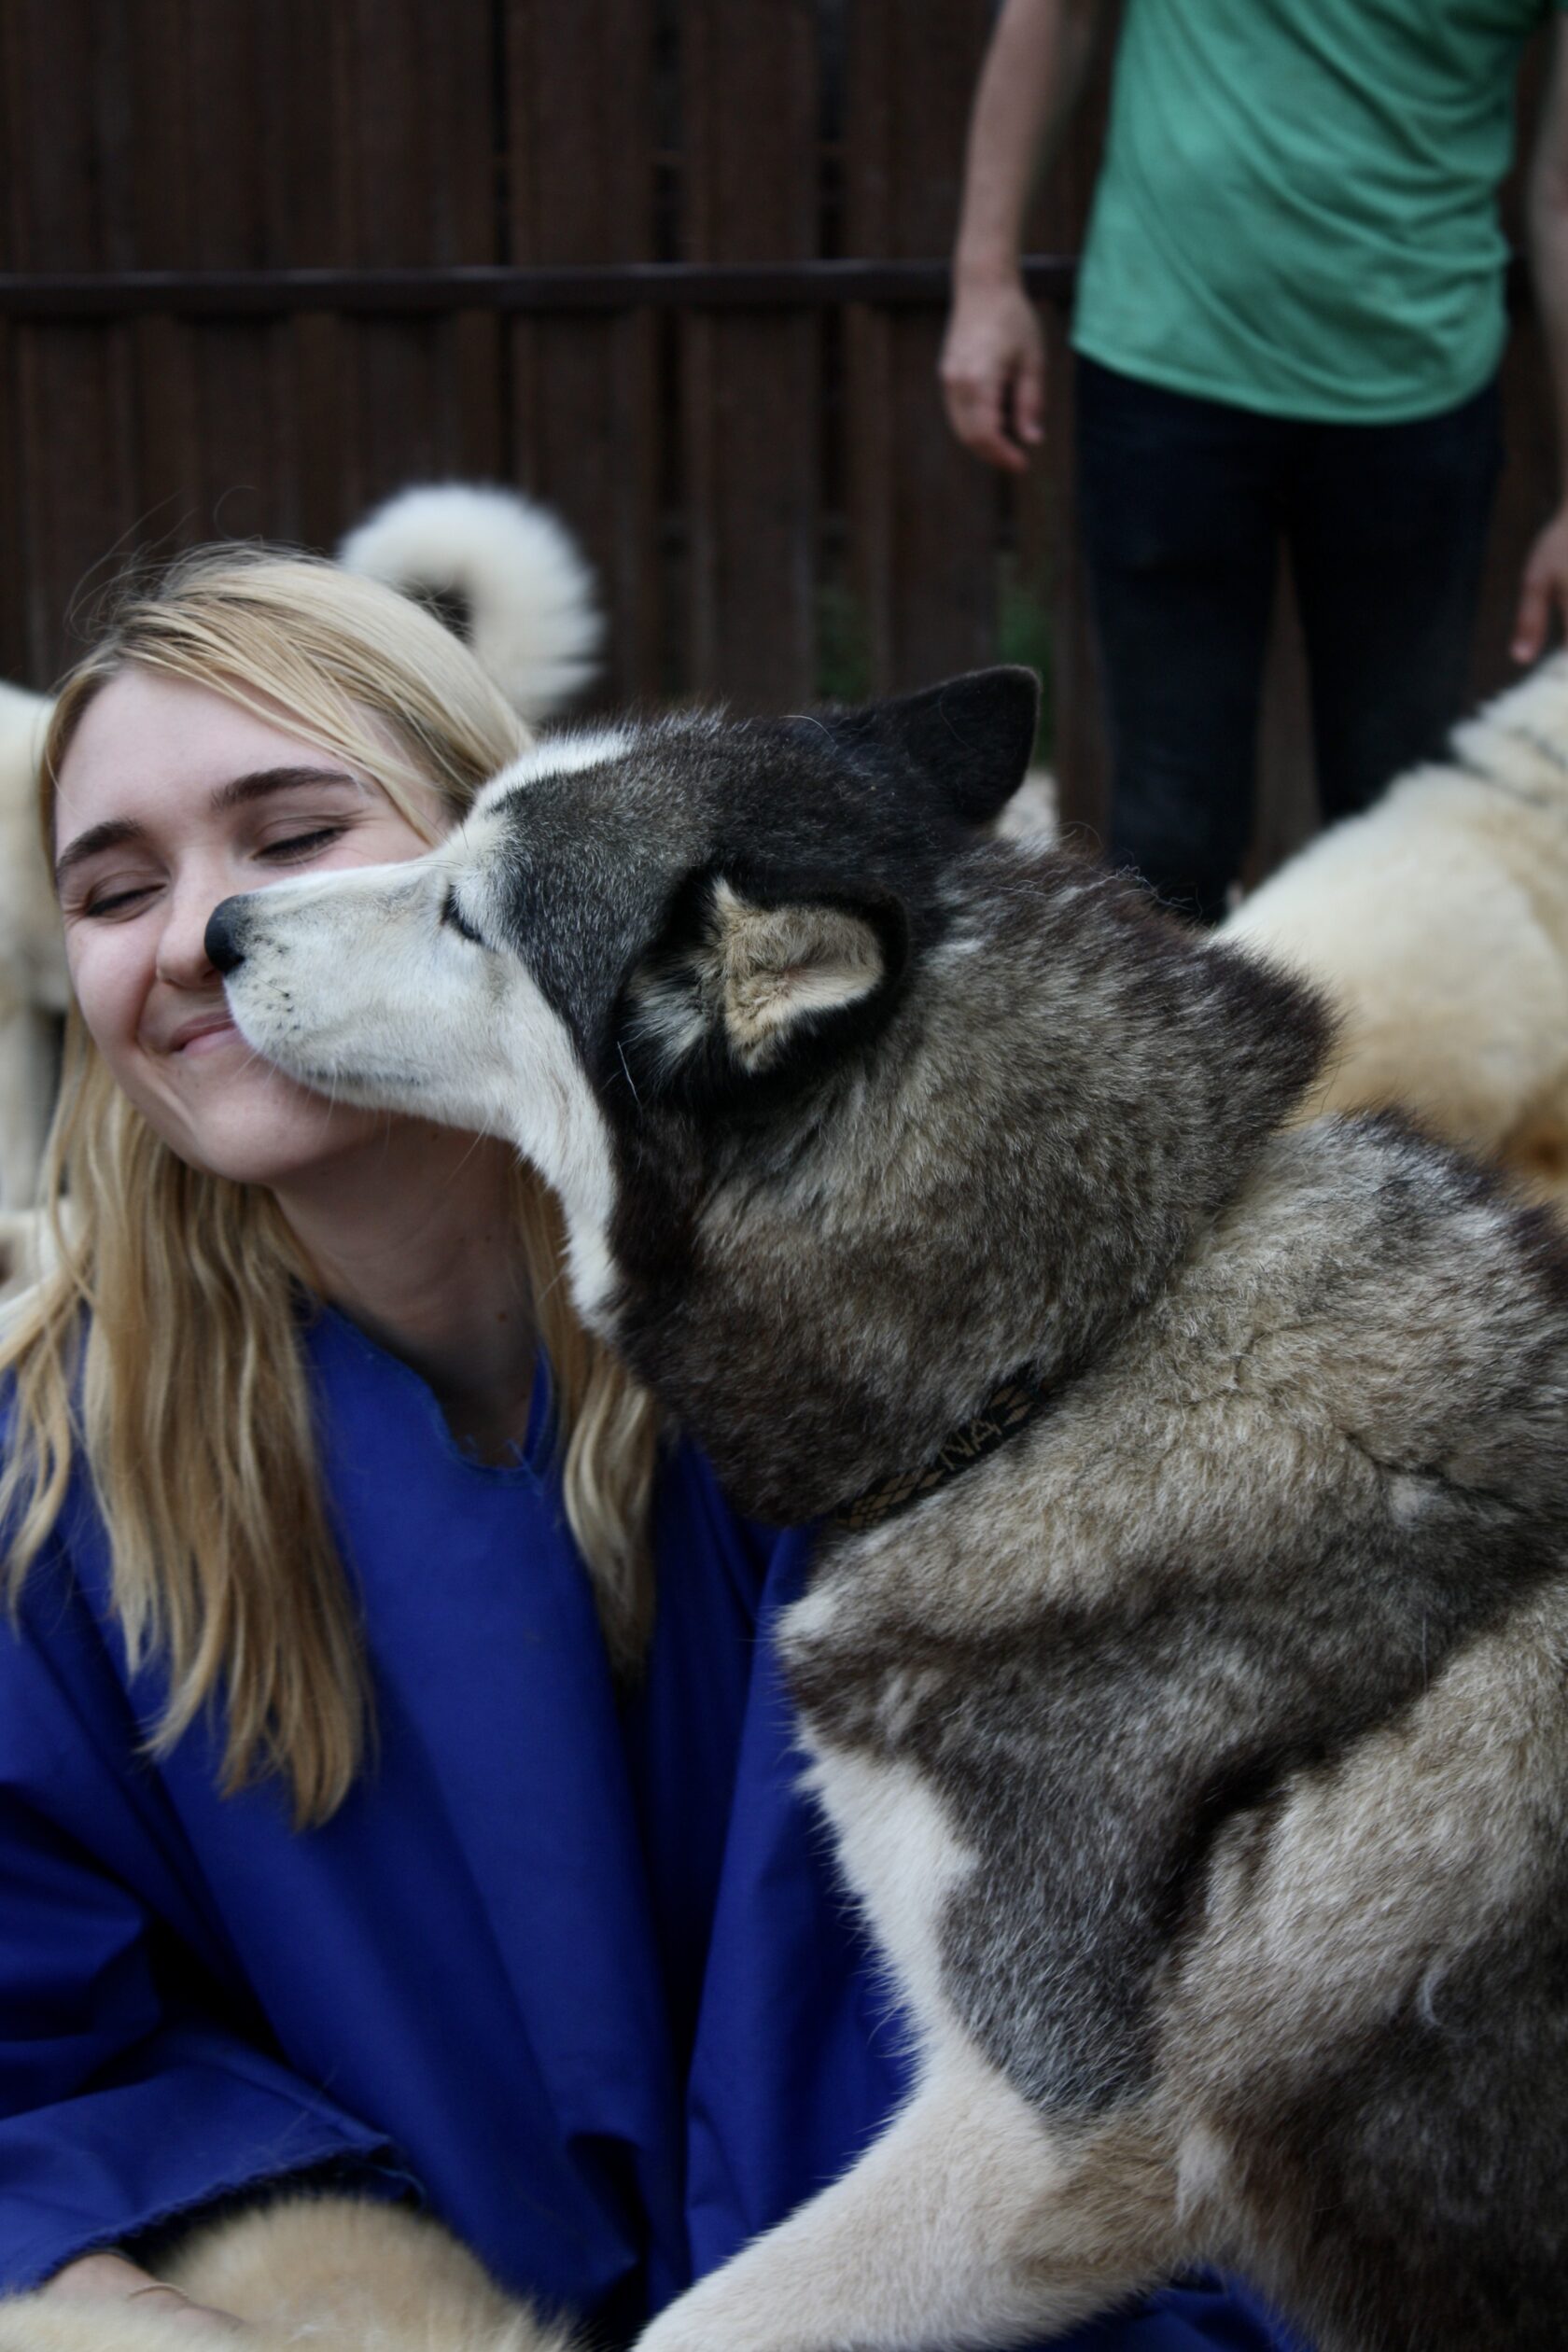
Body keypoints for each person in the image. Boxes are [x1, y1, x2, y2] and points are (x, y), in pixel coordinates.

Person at [0, 540, 1297, 2349]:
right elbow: (31, 2046)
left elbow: (1152, 2023)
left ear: (498, 840)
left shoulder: (903, 1374)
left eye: (290, 838)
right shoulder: (58, 1486)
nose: (201, 929)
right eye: (112, 886)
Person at [940, 0, 1568, 922]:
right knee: (1169, 829)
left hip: (1418, 401)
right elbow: (1056, 13)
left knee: (1400, 826)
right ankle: (1173, 1072)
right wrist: (983, 279)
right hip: (1165, 369)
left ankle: (1384, 1072)